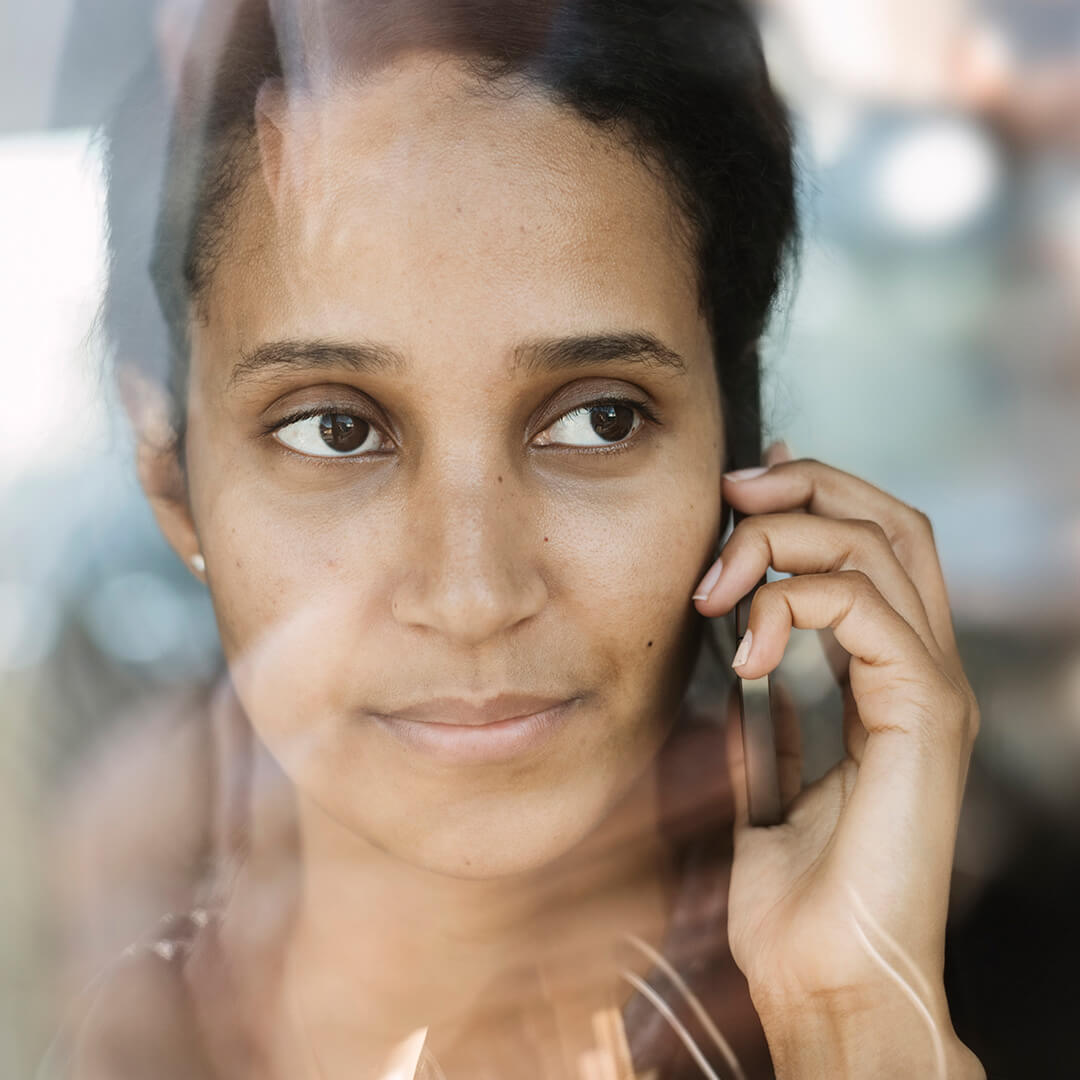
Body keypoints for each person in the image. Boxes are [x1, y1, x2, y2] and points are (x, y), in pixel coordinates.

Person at [43, 1, 986, 1077]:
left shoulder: (963, 977)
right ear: (172, 478)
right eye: (337, 430)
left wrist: (861, 1024)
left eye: (600, 419)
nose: (475, 592)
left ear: (744, 469)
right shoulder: (112, 1039)